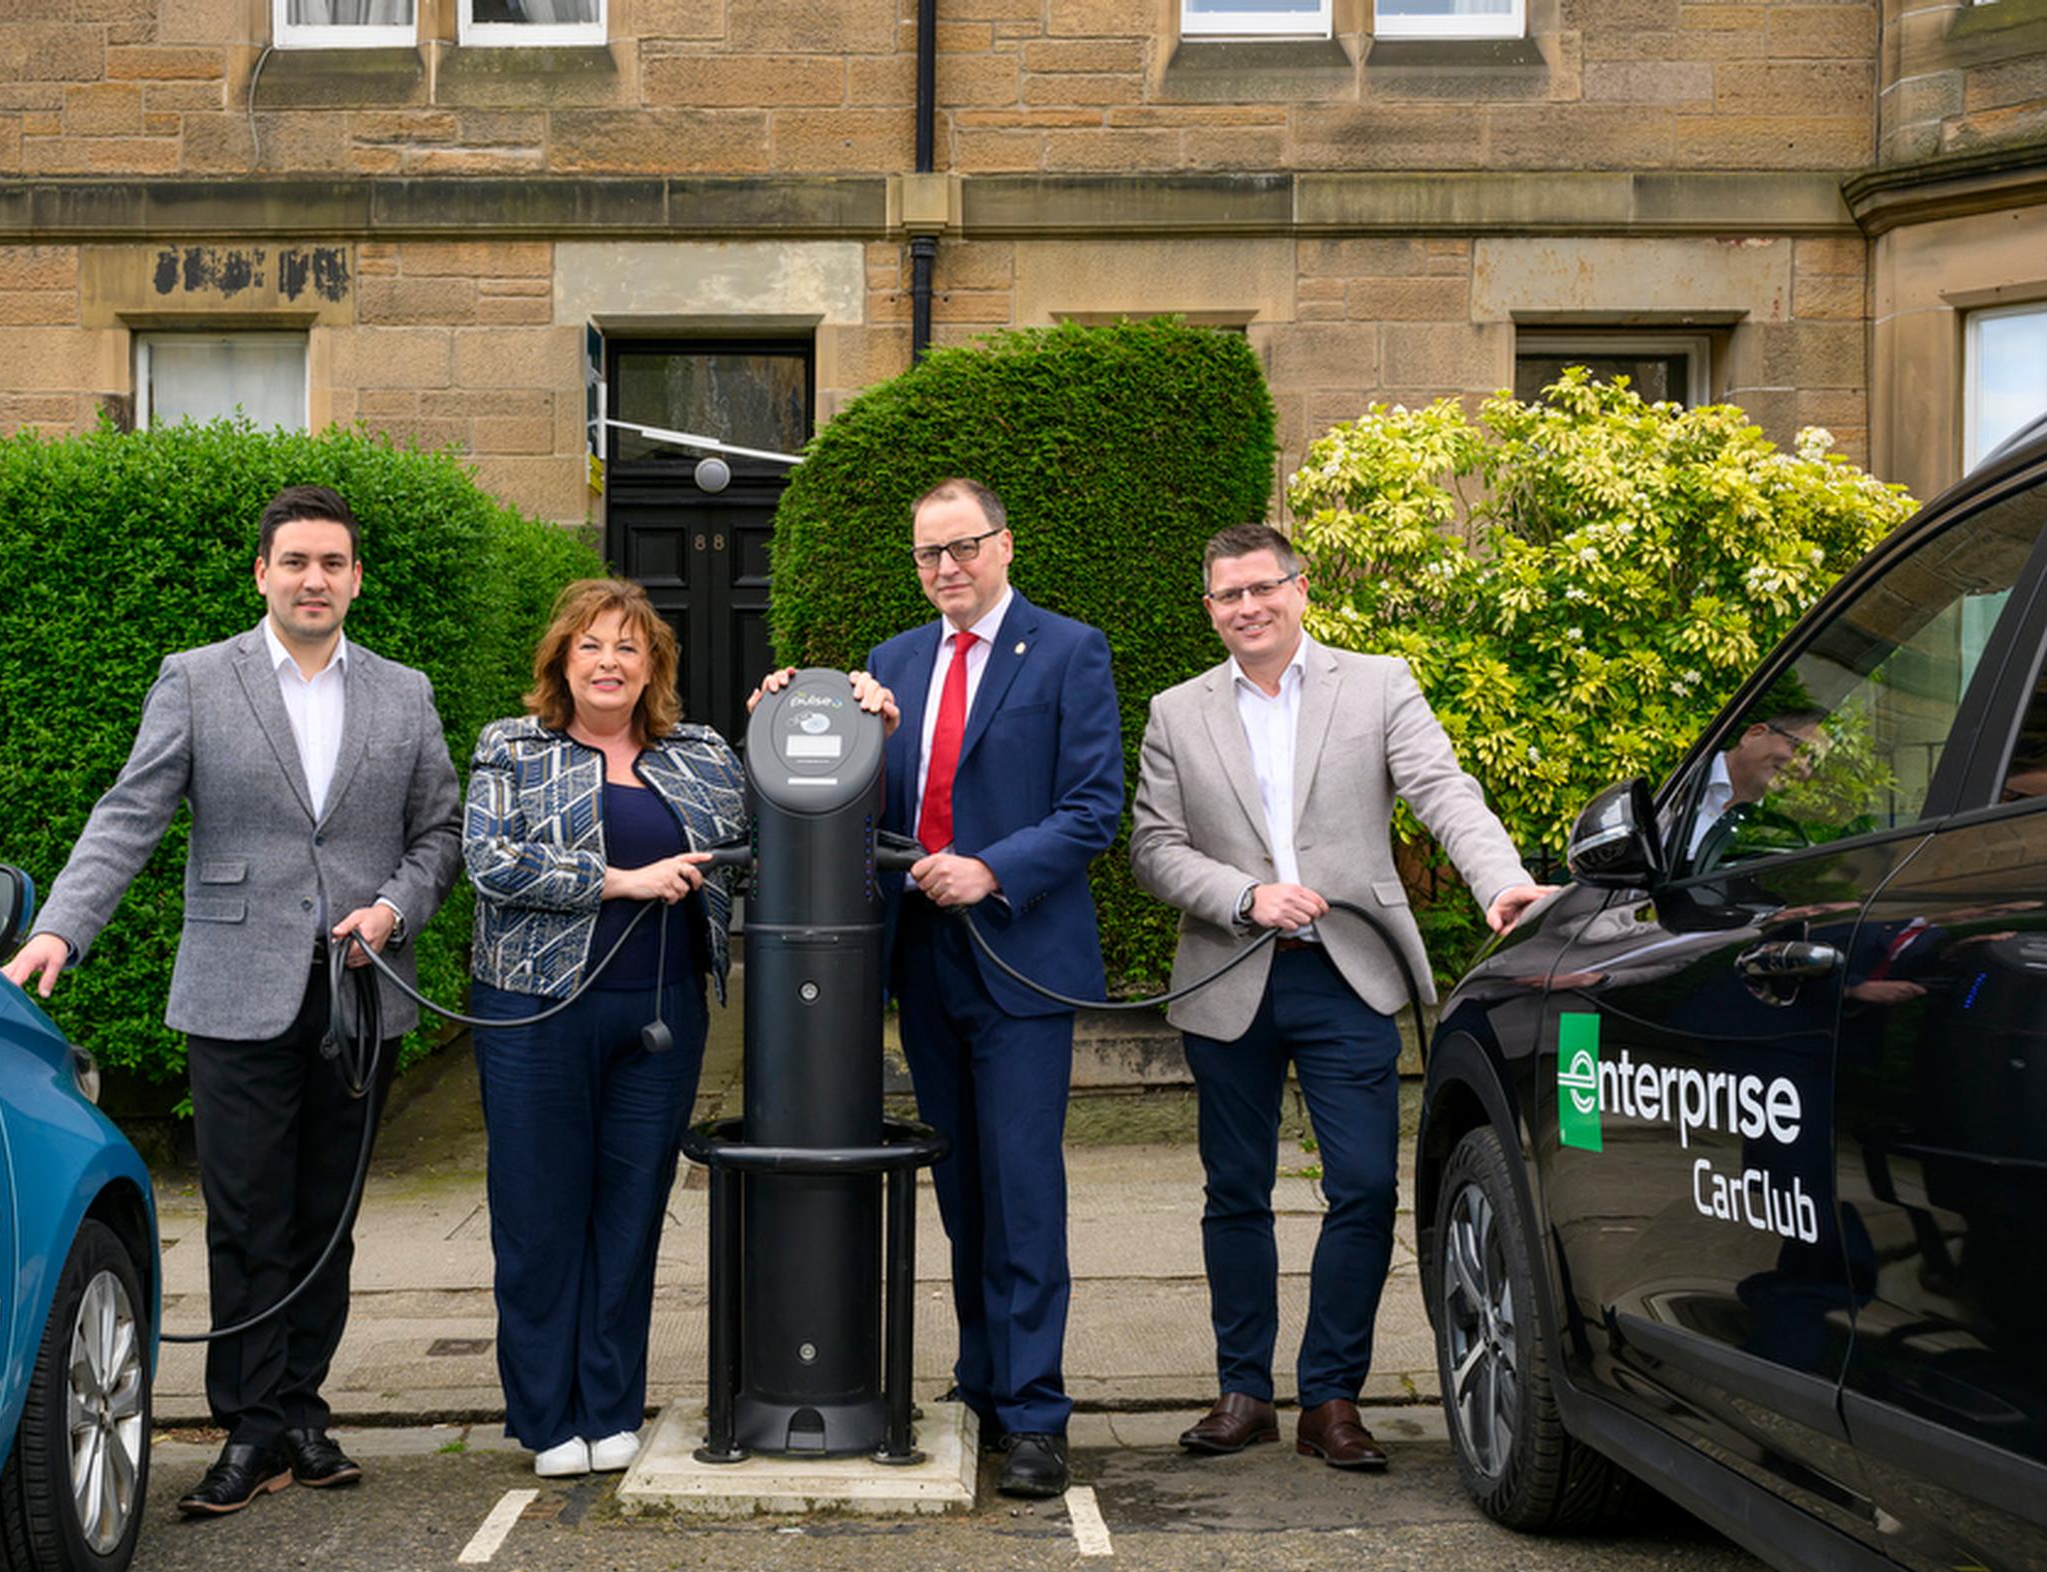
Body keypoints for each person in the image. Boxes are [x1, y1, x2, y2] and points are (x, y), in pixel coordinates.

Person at [0, 484, 462, 1518]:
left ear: (355, 578)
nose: (314, 580)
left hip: (358, 995)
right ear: (261, 573)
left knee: (326, 1218)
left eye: (332, 564)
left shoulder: (402, 691)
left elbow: (441, 833)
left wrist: (392, 909)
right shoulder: (199, 680)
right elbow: (132, 812)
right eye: (295, 562)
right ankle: (247, 1427)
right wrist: (60, 927)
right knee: (246, 1214)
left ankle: (303, 1411)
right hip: (233, 989)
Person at [1129, 523, 1549, 1474]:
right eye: (1228, 595)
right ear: (1210, 608)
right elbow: (1153, 848)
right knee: (1233, 1191)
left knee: (1362, 1186)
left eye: (1263, 588)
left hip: (1347, 969)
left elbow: (1444, 790)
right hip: (1228, 974)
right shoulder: (1176, 712)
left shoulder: (1378, 684)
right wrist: (1244, 897)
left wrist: (1501, 883)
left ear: (1300, 588)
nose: (1248, 608)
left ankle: (1331, 1398)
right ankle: (1244, 1390)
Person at [756, 477, 1124, 1500]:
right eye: (928, 555)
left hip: (1018, 956)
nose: (946, 568)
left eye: (962, 547)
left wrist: (988, 867)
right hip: (920, 960)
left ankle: (1037, 1412)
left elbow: (1094, 806)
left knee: (1021, 1191)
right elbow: (858, 799)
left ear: (1005, 545)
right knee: (960, 1193)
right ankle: (980, 1382)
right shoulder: (891, 664)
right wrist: (795, 719)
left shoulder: (1066, 650)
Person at [463, 577, 746, 1479]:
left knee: (630, 1217)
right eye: (591, 644)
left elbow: (761, 838)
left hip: (660, 1014)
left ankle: (611, 1405)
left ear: (653, 664)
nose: (609, 661)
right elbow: (489, 859)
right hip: (535, 1013)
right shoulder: (511, 746)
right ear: (562, 660)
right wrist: (622, 880)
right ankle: (548, 1419)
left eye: (628, 646)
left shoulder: (700, 752)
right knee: (541, 1217)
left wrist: (802, 710)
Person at [1686, 705, 1826, 862]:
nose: (1802, 766)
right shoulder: (1683, 769)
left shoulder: (1776, 836)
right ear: (1754, 734)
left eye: (1813, 761)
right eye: (1797, 747)